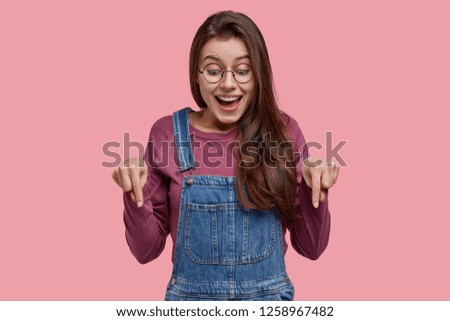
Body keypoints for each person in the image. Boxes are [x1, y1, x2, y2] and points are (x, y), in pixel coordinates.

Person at [112, 10, 340, 301]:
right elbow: (145, 252)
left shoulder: (283, 132)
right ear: (196, 74)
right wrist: (134, 192)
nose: (229, 84)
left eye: (242, 70)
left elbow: (312, 248)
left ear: (258, 75)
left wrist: (315, 189)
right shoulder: (167, 134)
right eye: (213, 70)